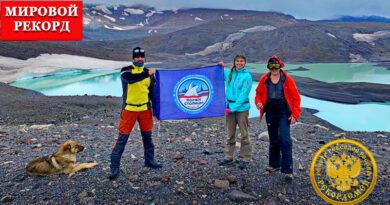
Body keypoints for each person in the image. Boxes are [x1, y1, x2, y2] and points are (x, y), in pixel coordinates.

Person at [109, 47, 162, 180]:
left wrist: (156, 110)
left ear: (144, 58)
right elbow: (131, 79)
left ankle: (149, 161)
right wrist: (148, 73)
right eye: (137, 57)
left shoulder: (147, 73)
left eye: (141, 56)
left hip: (145, 109)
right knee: (122, 139)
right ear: (133, 58)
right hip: (129, 110)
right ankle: (114, 168)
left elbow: (152, 93)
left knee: (147, 137)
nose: (139, 59)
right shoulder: (126, 71)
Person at [254, 55, 301, 180]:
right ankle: (274, 164)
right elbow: (258, 94)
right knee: (273, 138)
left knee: (285, 139)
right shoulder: (264, 78)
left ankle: (288, 169)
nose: (274, 69)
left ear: (280, 66)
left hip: (283, 111)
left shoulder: (286, 79)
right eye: (271, 66)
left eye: (276, 66)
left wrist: (295, 115)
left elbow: (296, 98)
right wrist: (258, 103)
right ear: (268, 67)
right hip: (270, 111)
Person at [218, 55, 253, 169]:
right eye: (237, 61)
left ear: (245, 62)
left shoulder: (247, 76)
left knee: (244, 134)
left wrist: (233, 108)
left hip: (241, 109)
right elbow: (221, 72)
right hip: (230, 108)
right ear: (234, 62)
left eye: (242, 61)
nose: (239, 63)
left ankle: (245, 158)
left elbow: (244, 94)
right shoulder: (230, 73)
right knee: (230, 134)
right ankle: (228, 157)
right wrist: (221, 66)